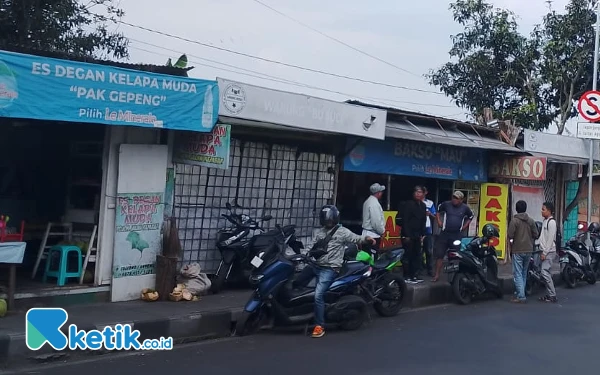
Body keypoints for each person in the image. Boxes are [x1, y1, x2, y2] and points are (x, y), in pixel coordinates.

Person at [294, 205, 375, 338]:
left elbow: (357, 238)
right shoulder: (319, 232)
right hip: (316, 265)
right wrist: (301, 256)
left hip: (330, 268)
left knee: (318, 295)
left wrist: (367, 239)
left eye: (330, 219)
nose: (328, 222)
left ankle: (319, 325)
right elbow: (309, 246)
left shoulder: (342, 231)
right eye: (327, 220)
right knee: (297, 283)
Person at [433, 191, 474, 282]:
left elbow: (471, 216)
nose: (454, 200)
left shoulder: (465, 208)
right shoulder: (446, 204)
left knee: (455, 255)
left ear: (461, 200)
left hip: (456, 235)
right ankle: (436, 275)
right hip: (444, 233)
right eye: (453, 197)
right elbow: (437, 210)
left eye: (457, 198)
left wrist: (465, 226)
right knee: (439, 254)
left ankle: (453, 276)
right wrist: (439, 221)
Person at [507, 200, 539, 303]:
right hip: (529, 249)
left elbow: (510, 235)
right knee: (524, 272)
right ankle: (521, 292)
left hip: (518, 249)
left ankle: (521, 296)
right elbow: (536, 234)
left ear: (516, 209)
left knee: (517, 273)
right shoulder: (531, 221)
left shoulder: (514, 221)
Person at [402, 186, 427, 284]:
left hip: (418, 234)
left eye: (420, 192)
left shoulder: (423, 205)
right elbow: (405, 220)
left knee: (417, 255)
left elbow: (423, 220)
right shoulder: (409, 204)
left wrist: (423, 234)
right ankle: (406, 275)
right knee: (408, 255)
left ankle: (414, 275)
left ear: (423, 194)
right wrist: (407, 235)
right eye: (416, 192)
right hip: (409, 234)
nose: (418, 194)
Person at [539, 202, 558, 303]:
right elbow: (543, 237)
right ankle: (550, 294)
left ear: (549, 211)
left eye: (543, 209)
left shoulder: (552, 222)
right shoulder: (545, 221)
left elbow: (550, 239)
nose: (542, 211)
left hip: (549, 252)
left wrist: (544, 253)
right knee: (546, 273)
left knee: (544, 272)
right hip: (545, 250)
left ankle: (552, 295)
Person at [362, 183, 386, 249]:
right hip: (373, 235)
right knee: (372, 257)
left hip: (368, 234)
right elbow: (376, 222)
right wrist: (382, 231)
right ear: (378, 193)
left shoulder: (368, 201)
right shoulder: (374, 203)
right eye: (381, 192)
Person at [422, 186, 437, 276]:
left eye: (423, 192)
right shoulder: (416, 202)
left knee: (429, 251)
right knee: (417, 252)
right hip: (417, 230)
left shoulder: (430, 203)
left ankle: (430, 270)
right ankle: (418, 270)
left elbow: (435, 216)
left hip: (427, 230)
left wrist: (429, 213)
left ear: (426, 192)